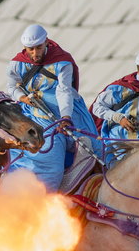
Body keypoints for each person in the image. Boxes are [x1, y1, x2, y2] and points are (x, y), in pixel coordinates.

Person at [6, 24, 101, 192]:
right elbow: (12, 87)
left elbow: (64, 90)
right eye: (31, 49)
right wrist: (22, 98)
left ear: (46, 43)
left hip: (65, 112)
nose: (35, 53)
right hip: (34, 114)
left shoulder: (62, 61)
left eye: (39, 48)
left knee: (96, 150)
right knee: (40, 162)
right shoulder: (16, 64)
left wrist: (66, 117)